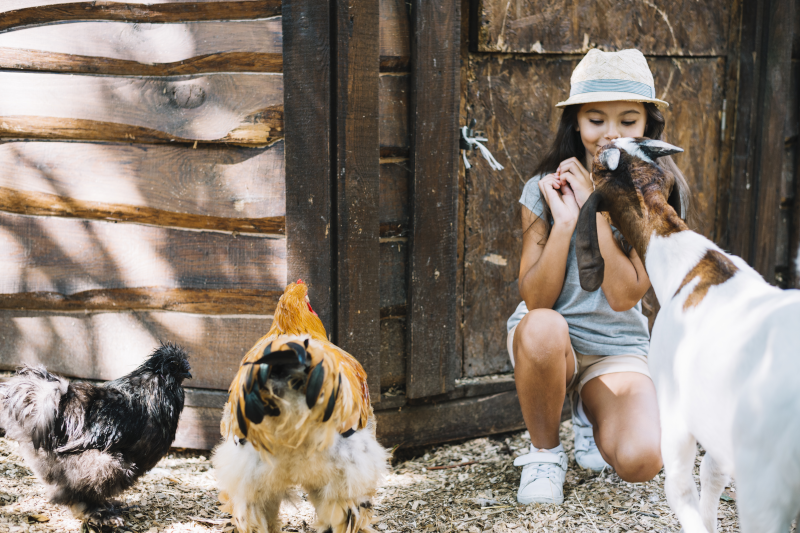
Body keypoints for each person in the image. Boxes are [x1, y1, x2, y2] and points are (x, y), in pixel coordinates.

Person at [507, 48, 692, 505]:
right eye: (596, 120)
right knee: (545, 326)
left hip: (617, 344)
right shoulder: (543, 188)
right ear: (575, 123)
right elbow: (536, 301)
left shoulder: (655, 196)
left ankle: (591, 409)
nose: (611, 133)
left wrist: (595, 203)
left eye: (627, 121)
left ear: (647, 124)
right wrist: (566, 222)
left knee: (642, 459)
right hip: (548, 341)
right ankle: (545, 454)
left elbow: (625, 294)